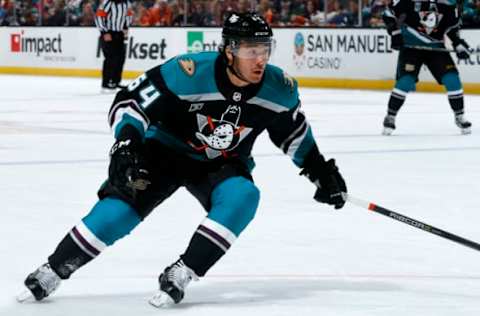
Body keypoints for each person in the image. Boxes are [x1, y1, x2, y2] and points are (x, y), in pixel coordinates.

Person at [18, 12, 347, 307]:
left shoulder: (279, 88)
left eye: (264, 50)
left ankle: (185, 270)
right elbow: (130, 102)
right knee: (118, 212)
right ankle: (56, 267)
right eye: (251, 51)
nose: (260, 60)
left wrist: (319, 170)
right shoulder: (187, 72)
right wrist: (128, 144)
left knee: (244, 197)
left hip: (221, 162)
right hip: (163, 151)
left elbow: (294, 134)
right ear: (229, 51)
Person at [382, 0, 472, 135]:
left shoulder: (448, 3)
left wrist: (458, 43)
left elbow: (451, 28)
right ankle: (391, 116)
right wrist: (395, 32)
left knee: (452, 79)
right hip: (411, 47)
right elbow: (389, 14)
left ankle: (459, 116)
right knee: (406, 81)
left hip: (436, 48)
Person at [95, 0, 132, 92]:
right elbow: (99, 17)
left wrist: (126, 27)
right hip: (109, 33)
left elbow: (128, 15)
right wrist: (104, 31)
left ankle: (115, 82)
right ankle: (106, 83)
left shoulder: (126, 3)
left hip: (119, 33)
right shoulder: (107, 3)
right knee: (110, 58)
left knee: (120, 58)